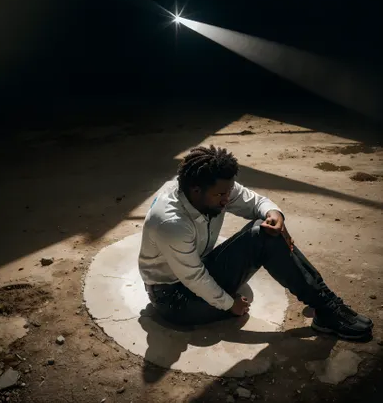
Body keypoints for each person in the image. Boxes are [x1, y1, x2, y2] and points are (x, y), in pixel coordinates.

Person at [138, 145, 373, 340]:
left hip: (198, 266)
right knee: (260, 236)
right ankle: (326, 308)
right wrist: (229, 305)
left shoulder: (214, 189)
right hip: (174, 298)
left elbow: (255, 202)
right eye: (221, 195)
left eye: (229, 191)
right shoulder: (171, 222)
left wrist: (275, 214)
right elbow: (193, 277)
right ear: (196, 190)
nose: (227, 199)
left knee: (266, 230)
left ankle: (325, 303)